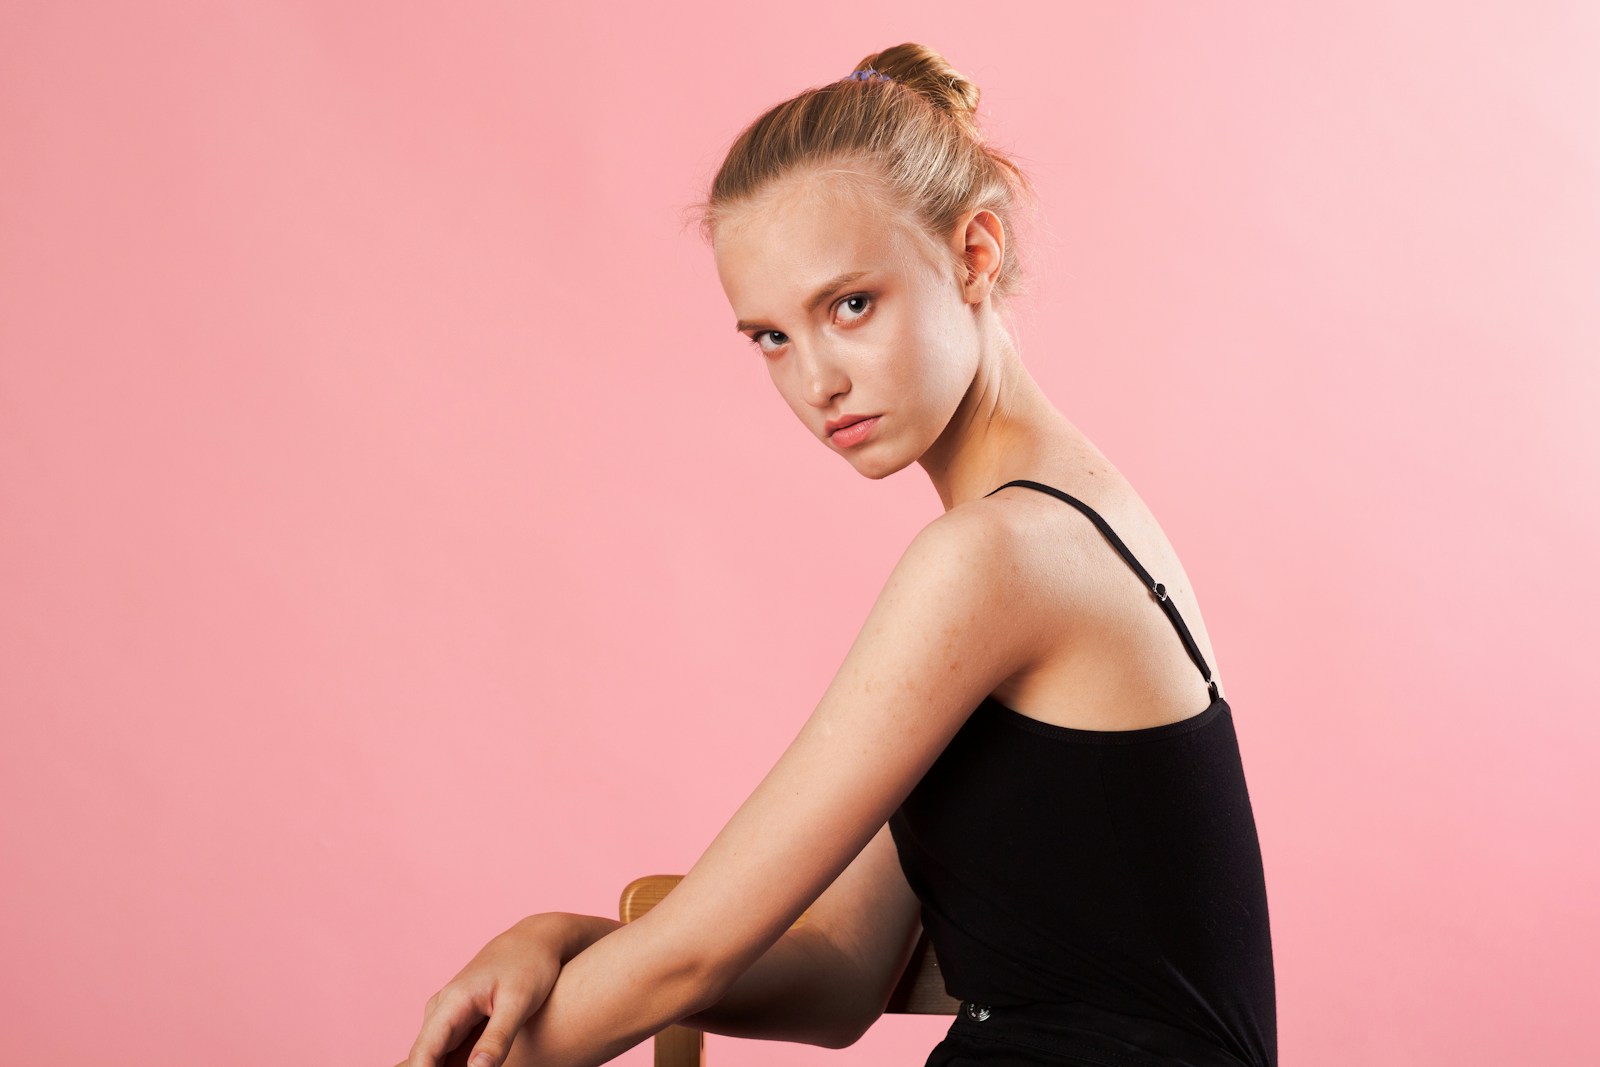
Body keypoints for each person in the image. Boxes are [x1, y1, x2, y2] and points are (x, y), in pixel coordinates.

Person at [397, 42, 1277, 1067]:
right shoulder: (1047, 521)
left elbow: (691, 956)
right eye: (770, 336)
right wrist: (565, 941)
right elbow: (839, 975)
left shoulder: (999, 552)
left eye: (848, 305)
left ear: (974, 254)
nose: (815, 379)